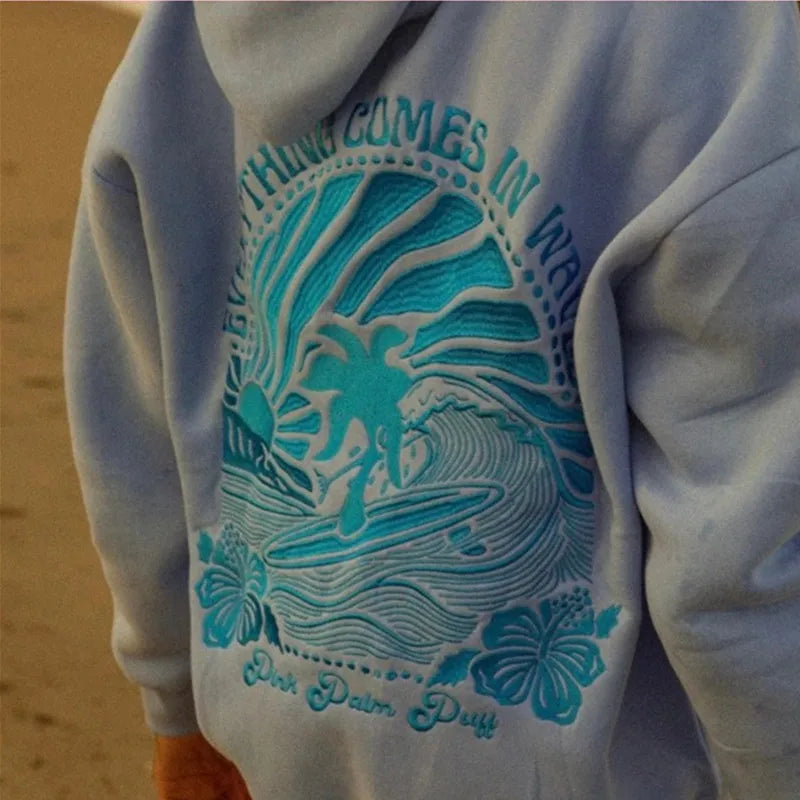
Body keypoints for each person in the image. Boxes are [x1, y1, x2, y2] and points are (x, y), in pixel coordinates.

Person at [65, 3, 800, 799]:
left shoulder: (177, 39)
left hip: (275, 757)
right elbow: (739, 542)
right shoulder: (702, 35)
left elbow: (130, 430)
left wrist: (174, 699)